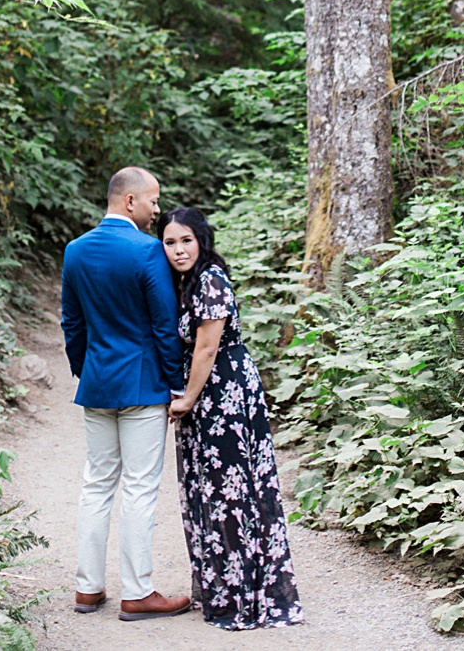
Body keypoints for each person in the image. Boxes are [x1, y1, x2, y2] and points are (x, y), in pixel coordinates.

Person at [158, 206, 304, 631]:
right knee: (206, 491)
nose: (179, 249)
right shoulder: (185, 281)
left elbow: (206, 348)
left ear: (202, 239)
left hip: (225, 395)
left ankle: (243, 595)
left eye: (186, 240)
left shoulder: (211, 279)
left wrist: (186, 399)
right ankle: (221, 585)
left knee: (231, 492)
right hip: (207, 396)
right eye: (170, 242)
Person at [61, 166, 191, 622]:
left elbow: (72, 325)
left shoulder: (75, 251)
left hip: (97, 384)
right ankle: (137, 592)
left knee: (96, 485)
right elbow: (163, 325)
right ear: (130, 201)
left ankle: (87, 588)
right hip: (142, 386)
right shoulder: (147, 251)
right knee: (139, 488)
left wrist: (87, 370)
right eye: (153, 201)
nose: (158, 210)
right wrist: (177, 386)